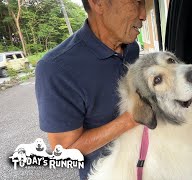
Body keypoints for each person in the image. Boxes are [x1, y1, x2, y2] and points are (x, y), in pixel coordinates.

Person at [35, 0, 146, 179]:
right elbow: (64, 151)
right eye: (135, 2)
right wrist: (130, 120)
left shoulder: (132, 48)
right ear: (98, 3)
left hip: (146, 164)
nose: (143, 15)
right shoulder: (56, 68)